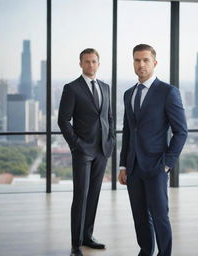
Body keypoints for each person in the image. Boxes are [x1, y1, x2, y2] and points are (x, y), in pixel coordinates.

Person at [118, 44, 187, 256]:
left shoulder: (168, 92)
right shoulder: (129, 94)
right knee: (139, 216)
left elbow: (181, 131)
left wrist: (167, 164)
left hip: (157, 166)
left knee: (159, 216)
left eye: (146, 60)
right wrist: (123, 165)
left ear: (154, 63)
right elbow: (128, 131)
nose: (141, 64)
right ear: (133, 63)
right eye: (137, 60)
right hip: (133, 166)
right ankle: (146, 251)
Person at [58, 48, 115, 256]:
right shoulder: (72, 88)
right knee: (80, 196)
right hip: (82, 151)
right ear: (80, 64)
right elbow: (63, 121)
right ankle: (75, 245)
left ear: (98, 63)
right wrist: (76, 145)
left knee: (94, 195)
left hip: (102, 150)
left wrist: (111, 141)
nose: (91, 65)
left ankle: (87, 236)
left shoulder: (105, 87)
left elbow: (109, 117)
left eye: (94, 62)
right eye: (87, 62)